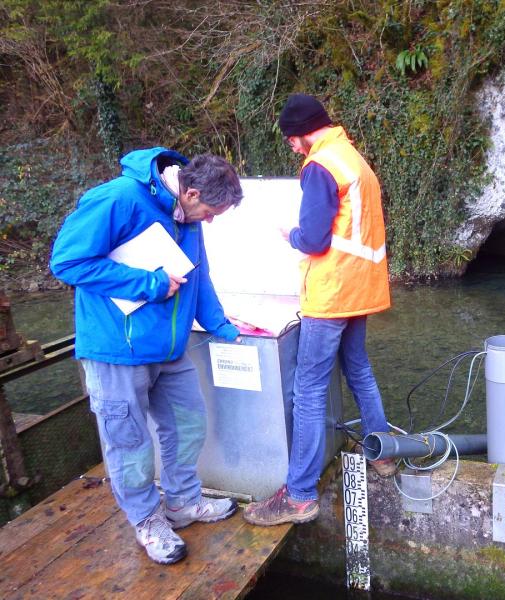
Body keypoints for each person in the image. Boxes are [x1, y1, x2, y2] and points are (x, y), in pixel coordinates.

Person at [50, 149, 243, 564]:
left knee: (189, 425)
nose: (210, 221)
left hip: (169, 350)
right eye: (210, 213)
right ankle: (147, 521)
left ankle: (183, 502)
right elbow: (67, 262)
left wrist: (222, 326)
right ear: (191, 193)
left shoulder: (187, 216)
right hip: (117, 350)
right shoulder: (118, 199)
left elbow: (198, 278)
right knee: (130, 444)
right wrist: (148, 283)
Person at [243, 94, 395, 527]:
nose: (292, 147)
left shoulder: (320, 166)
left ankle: (299, 494)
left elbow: (313, 240)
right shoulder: (353, 159)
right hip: (360, 288)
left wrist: (288, 234)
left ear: (303, 132)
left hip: (331, 293)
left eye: (292, 139)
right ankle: (383, 453)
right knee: (358, 368)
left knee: (308, 389)